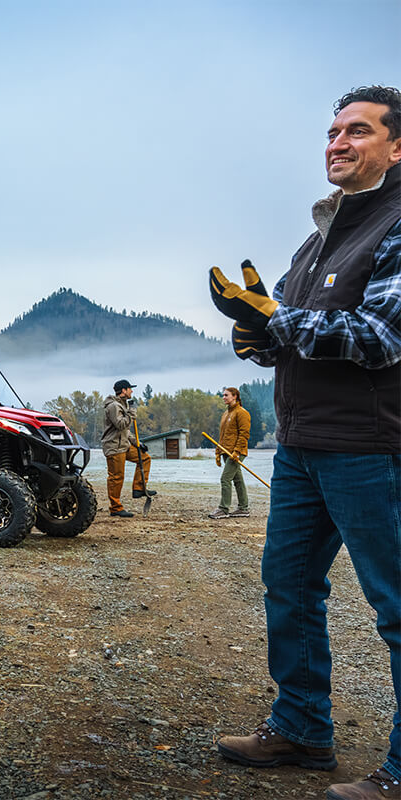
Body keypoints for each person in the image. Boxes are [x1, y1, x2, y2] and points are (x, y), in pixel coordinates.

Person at [210, 85, 401, 800]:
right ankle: (302, 729)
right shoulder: (320, 234)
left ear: (397, 145)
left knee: (397, 609)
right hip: (301, 445)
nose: (337, 143)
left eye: (357, 131)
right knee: (288, 589)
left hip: (372, 449)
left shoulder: (397, 223)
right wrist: (257, 336)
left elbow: (383, 339)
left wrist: (280, 323)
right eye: (331, 132)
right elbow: (292, 333)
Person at [100, 378, 154, 518]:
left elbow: (125, 431)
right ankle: (115, 508)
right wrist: (131, 414)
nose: (132, 391)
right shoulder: (113, 406)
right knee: (116, 477)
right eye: (130, 388)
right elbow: (120, 424)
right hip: (114, 447)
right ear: (123, 390)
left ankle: (139, 488)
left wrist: (137, 443)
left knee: (145, 458)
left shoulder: (121, 405)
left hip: (123, 444)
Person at [209, 387, 251, 519]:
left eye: (226, 395)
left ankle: (223, 509)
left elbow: (244, 435)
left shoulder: (242, 413)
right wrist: (218, 452)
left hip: (236, 452)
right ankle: (243, 508)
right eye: (223, 395)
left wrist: (237, 452)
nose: (223, 397)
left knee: (225, 478)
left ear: (235, 396)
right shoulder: (225, 414)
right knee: (238, 480)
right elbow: (222, 436)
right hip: (226, 451)